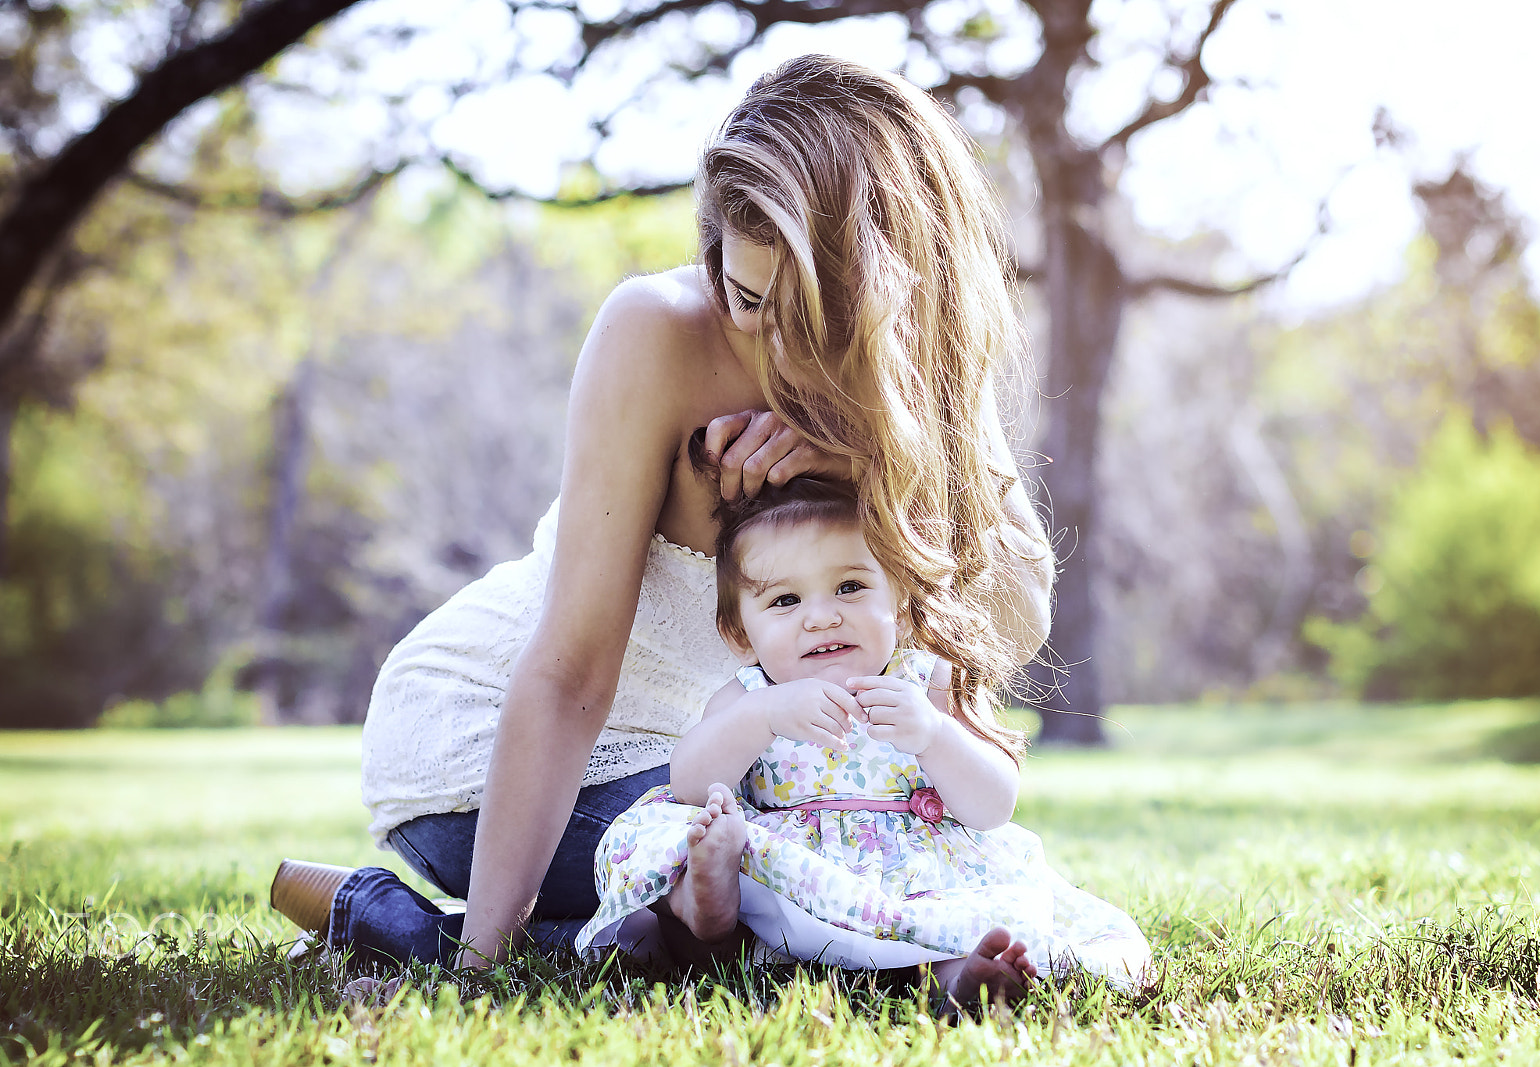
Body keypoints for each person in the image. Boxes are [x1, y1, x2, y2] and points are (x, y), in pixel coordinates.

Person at [268, 53, 1056, 970]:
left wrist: (875, 462)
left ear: (891, 285)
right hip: (493, 748)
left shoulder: (919, 367)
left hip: (719, 750)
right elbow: (568, 673)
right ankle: (440, 935)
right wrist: (485, 964)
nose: (770, 340)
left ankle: (396, 927)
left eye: (811, 312)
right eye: (748, 294)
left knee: (848, 860)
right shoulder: (658, 331)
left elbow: (1017, 620)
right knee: (791, 871)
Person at [573, 475, 1152, 1006]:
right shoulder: (750, 693)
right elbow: (690, 783)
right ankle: (707, 912)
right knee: (698, 854)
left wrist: (934, 736)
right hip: (787, 875)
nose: (822, 617)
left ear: (898, 607)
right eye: (785, 600)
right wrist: (764, 714)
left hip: (913, 883)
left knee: (944, 936)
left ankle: (964, 979)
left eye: (849, 587)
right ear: (739, 633)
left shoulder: (922, 681)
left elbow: (994, 805)